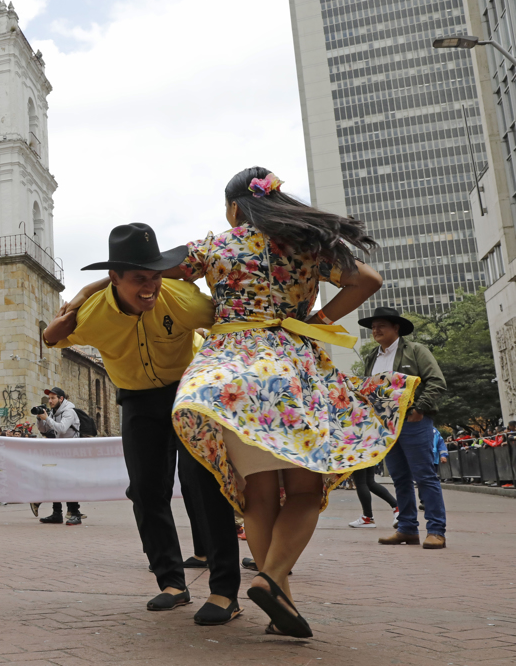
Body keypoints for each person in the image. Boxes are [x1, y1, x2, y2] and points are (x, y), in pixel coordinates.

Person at [168, 168, 418, 638]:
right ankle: (271, 579)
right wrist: (316, 316)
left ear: (235, 208)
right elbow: (368, 279)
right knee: (303, 491)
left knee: (259, 498)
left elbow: (159, 271)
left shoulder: (216, 245)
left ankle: (280, 599)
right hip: (290, 372)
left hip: (229, 378)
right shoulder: (308, 245)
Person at [44, 223, 241, 626]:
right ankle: (171, 583)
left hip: (189, 394)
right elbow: (51, 337)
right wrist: (80, 298)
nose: (150, 288)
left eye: (155, 276)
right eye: (138, 279)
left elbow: (232, 322)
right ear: (114, 279)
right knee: (146, 492)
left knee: (204, 486)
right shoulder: (93, 313)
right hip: (137, 401)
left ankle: (224, 592)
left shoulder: (181, 298)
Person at [359, 306, 448, 549]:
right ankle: (407, 528)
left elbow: (437, 381)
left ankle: (436, 530)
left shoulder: (416, 350)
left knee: (425, 477)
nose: (375, 330)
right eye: (373, 327)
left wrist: (420, 409)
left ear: (395, 328)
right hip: (386, 426)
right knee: (399, 478)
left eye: (381, 326)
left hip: (413, 422)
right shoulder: (371, 357)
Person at [33, 387, 83, 526]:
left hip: (71, 451)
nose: (50, 401)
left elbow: (61, 428)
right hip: (59, 451)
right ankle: (57, 513)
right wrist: (40, 419)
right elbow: (44, 430)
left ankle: (75, 513)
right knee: (55, 480)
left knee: (70, 482)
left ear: (61, 398)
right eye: (49, 398)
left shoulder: (69, 411)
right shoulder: (53, 413)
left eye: (53, 398)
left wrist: (47, 418)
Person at [346, 462, 398, 529]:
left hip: (358, 453)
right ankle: (396, 507)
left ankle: (368, 518)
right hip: (370, 452)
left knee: (360, 482)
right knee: (370, 482)